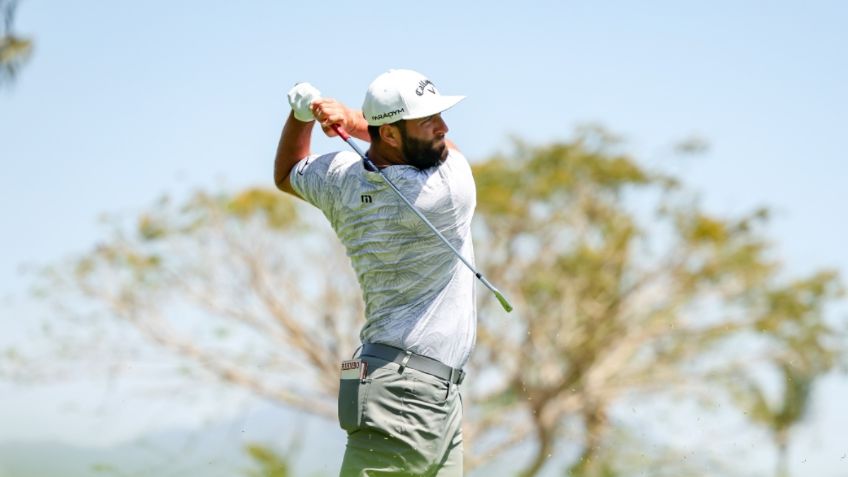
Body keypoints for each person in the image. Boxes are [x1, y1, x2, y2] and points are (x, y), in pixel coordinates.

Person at [274, 69, 476, 477]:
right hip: (407, 393)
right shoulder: (443, 192)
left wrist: (299, 117)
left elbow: (287, 173)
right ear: (389, 135)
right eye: (428, 121)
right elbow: (450, 149)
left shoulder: (340, 179)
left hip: (422, 391)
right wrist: (349, 120)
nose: (443, 128)